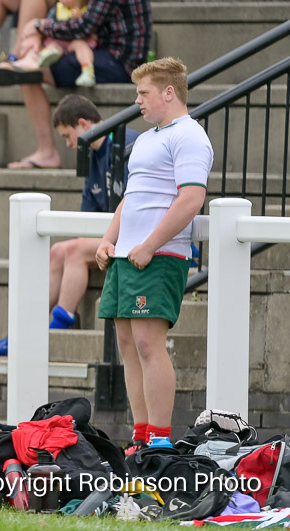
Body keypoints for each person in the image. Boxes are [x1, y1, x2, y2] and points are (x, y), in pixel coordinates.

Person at [94, 57, 212, 454]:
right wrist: (109, 239)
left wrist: (149, 245)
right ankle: (141, 437)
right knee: (127, 345)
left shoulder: (190, 135)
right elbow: (132, 197)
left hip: (159, 257)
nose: (137, 100)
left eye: (143, 93)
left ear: (169, 92)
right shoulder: (146, 139)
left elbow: (191, 198)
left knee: (148, 344)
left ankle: (160, 441)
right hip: (127, 257)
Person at [0, 94, 139, 356]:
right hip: (113, 234)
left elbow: (138, 206)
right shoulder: (92, 156)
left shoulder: (126, 143)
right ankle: (24, 331)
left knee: (73, 251)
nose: (69, 145)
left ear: (83, 124)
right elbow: (88, 216)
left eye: (67, 136)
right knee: (57, 251)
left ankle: (57, 329)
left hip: (139, 234)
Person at [0, 0, 153, 170]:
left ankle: (47, 151)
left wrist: (41, 25)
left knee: (29, 73)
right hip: (106, 53)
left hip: (118, 63)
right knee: (36, 57)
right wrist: (42, 30)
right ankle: (29, 56)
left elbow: (86, 25)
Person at [22, 0, 100, 87]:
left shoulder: (89, 10)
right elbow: (49, 23)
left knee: (81, 46)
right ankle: (44, 58)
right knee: (53, 46)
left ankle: (87, 71)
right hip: (59, 41)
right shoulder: (57, 9)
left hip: (77, 41)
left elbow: (92, 28)